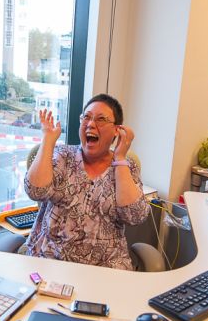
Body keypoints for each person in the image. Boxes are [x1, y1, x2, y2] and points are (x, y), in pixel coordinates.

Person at [24, 93, 150, 270]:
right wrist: (48, 140)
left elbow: (135, 216)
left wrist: (120, 158)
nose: (90, 124)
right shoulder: (62, 156)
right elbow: (36, 191)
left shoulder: (125, 166)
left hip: (107, 266)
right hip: (52, 260)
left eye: (101, 119)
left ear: (117, 130)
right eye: (87, 117)